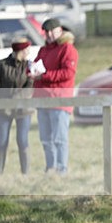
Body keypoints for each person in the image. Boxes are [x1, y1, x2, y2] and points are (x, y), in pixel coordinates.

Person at [31, 18, 78, 175]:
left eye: (53, 31)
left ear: (60, 31)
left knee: (59, 138)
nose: (50, 34)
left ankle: (61, 169)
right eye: (47, 31)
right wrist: (31, 72)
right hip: (43, 99)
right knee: (45, 139)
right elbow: (37, 66)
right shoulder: (43, 51)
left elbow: (68, 73)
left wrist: (44, 76)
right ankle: (50, 167)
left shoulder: (67, 49)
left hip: (59, 100)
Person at [0, 37, 35, 174]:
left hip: (23, 110)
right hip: (3, 110)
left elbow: (30, 88)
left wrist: (14, 99)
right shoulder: (2, 65)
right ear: (20, 49)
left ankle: (25, 173)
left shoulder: (29, 66)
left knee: (22, 141)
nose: (29, 51)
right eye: (27, 48)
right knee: (1, 142)